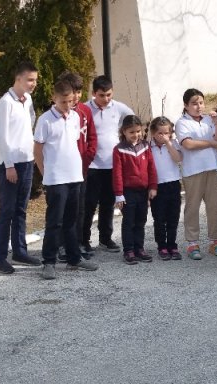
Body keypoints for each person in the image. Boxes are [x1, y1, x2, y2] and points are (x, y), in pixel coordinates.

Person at [34, 79, 99, 279]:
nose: (67, 105)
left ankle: (74, 258)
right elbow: (37, 150)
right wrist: (45, 172)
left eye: (70, 101)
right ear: (54, 98)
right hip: (56, 178)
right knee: (55, 222)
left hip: (75, 176)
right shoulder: (45, 120)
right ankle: (49, 262)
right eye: (63, 101)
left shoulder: (75, 117)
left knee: (72, 220)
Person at [0, 61, 40, 275]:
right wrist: (9, 165)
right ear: (18, 79)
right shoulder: (5, 102)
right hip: (9, 164)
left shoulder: (27, 99)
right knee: (7, 211)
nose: (33, 84)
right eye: (30, 80)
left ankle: (20, 251)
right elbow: (1, 136)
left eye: (35, 80)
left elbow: (30, 123)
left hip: (26, 161)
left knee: (21, 209)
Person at [82, 75, 135, 254]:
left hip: (112, 165)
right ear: (93, 93)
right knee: (88, 204)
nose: (106, 99)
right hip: (92, 166)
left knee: (107, 203)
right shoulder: (84, 109)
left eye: (109, 95)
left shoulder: (119, 108)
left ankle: (105, 238)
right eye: (102, 95)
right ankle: (84, 240)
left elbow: (133, 121)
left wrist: (126, 141)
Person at [175, 88, 217, 260]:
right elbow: (188, 144)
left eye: (201, 102)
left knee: (215, 206)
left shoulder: (208, 120)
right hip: (193, 171)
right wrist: (210, 143)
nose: (198, 106)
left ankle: (215, 241)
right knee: (192, 207)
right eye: (194, 103)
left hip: (212, 168)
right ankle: (192, 243)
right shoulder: (182, 123)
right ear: (186, 105)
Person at [110, 114, 157, 265]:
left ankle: (139, 248)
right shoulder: (119, 150)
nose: (135, 135)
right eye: (131, 132)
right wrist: (119, 194)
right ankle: (128, 250)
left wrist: (152, 186)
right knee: (129, 221)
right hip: (127, 192)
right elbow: (117, 173)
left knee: (141, 220)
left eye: (138, 131)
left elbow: (151, 168)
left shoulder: (146, 146)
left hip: (143, 191)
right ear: (124, 131)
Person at [148, 117, 184, 261]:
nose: (163, 136)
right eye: (160, 133)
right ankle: (161, 246)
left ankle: (172, 245)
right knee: (159, 218)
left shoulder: (174, 144)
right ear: (153, 133)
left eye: (167, 133)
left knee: (173, 218)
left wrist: (169, 143)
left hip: (173, 184)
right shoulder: (148, 147)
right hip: (157, 186)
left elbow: (178, 159)